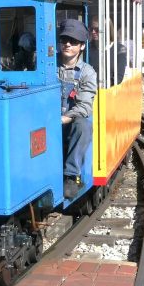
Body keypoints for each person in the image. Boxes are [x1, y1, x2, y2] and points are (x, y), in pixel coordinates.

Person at [57, 19, 97, 199]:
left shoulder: (87, 72)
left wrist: (64, 118)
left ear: (82, 46)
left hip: (69, 120)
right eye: (64, 39)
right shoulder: (47, 65)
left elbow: (84, 106)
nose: (67, 44)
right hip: (46, 117)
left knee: (83, 125)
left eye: (73, 41)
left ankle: (71, 176)